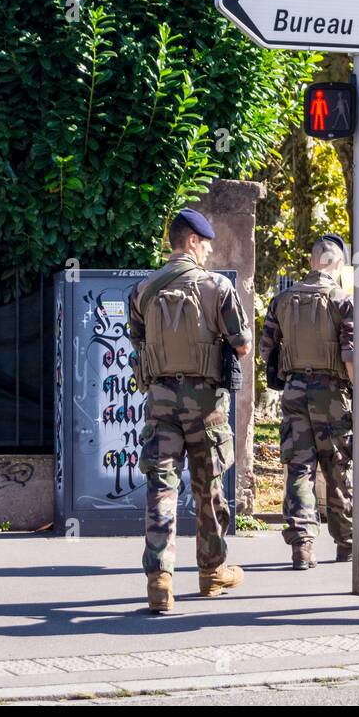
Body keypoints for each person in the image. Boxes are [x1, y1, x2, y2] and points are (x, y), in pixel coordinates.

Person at [128, 209, 251, 613]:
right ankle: (212, 570)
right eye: (208, 245)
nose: (209, 252)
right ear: (194, 242)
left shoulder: (143, 290)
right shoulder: (217, 286)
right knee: (208, 487)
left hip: (160, 402)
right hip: (206, 407)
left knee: (161, 488)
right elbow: (243, 345)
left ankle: (160, 578)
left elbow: (138, 341)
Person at [259, 234, 355, 569]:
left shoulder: (282, 300)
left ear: (313, 261)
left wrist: (284, 380)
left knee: (299, 468)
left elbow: (266, 349)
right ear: (338, 264)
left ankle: (302, 545)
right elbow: (351, 356)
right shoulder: (342, 301)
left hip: (295, 390)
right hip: (331, 394)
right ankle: (346, 543)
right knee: (338, 466)